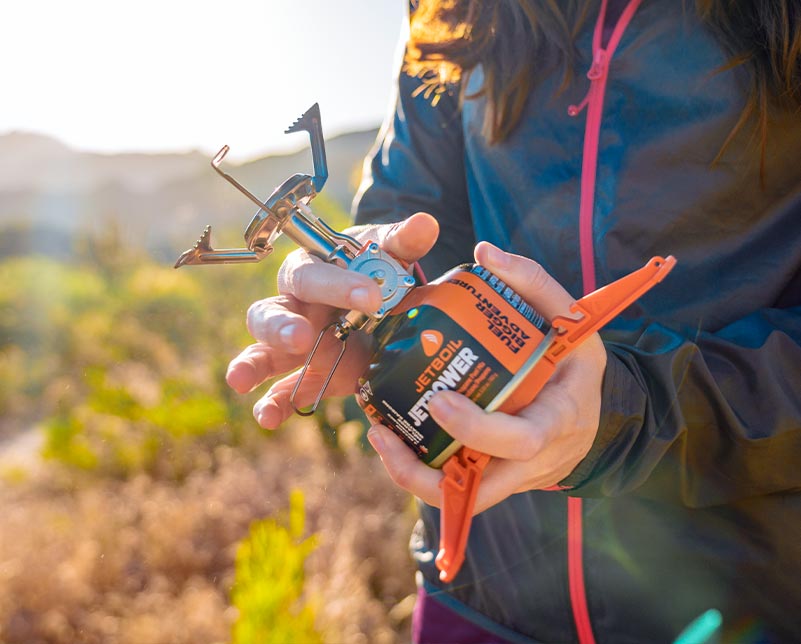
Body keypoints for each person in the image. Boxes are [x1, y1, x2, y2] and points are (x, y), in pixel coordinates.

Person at [226, 0, 801, 641]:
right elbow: (414, 215)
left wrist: (628, 416)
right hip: (480, 600)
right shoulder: (456, 10)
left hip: (747, 606)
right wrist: (374, 304)